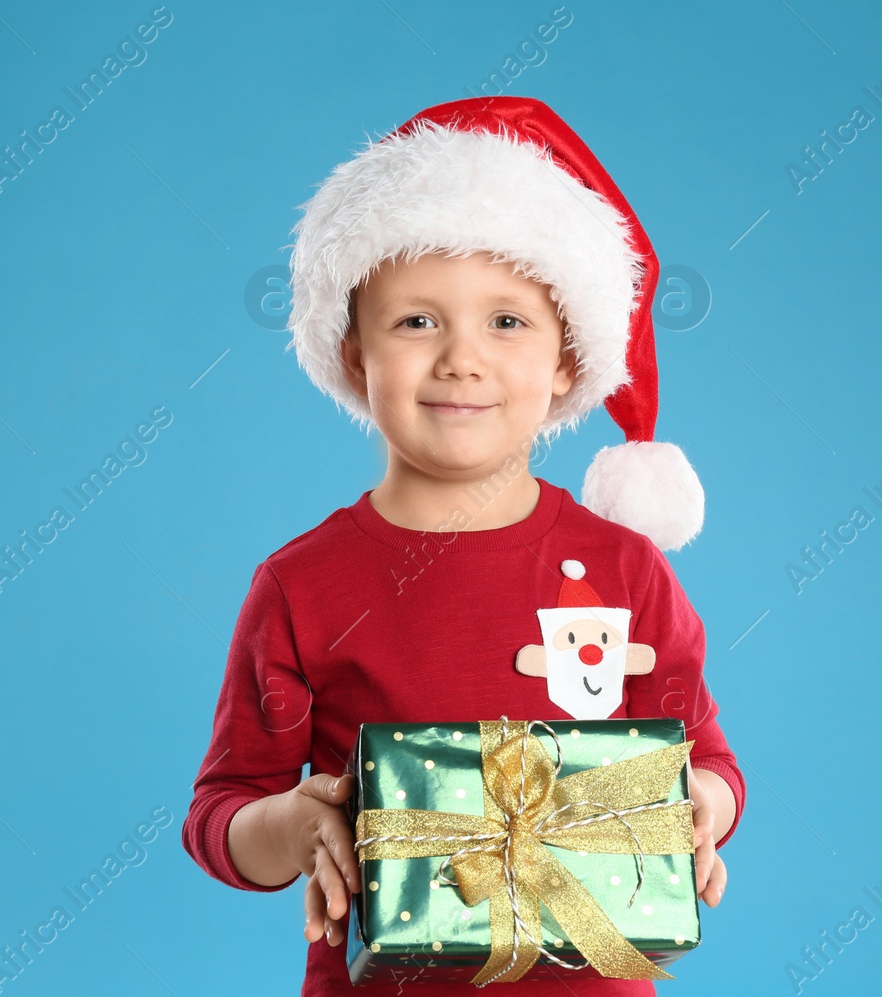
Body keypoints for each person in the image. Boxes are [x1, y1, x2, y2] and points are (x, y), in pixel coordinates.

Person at [181, 96, 745, 994]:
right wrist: (290, 826)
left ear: (568, 357)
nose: (460, 359)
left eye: (508, 321)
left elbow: (705, 760)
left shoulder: (626, 569)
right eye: (416, 321)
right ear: (353, 349)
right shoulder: (301, 585)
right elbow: (221, 812)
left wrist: (701, 808)